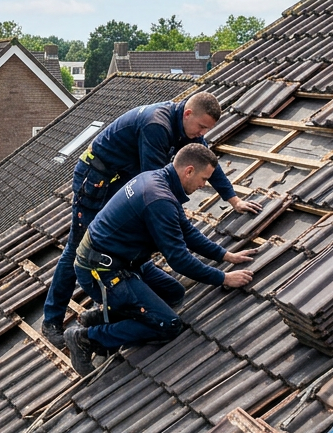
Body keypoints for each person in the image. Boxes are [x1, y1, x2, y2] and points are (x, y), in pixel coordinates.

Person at [40, 91, 260, 348]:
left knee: (136, 248)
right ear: (187, 114)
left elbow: (204, 160)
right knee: (77, 248)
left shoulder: (190, 131)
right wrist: (175, 224)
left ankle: (106, 312)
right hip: (97, 179)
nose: (201, 134)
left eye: (206, 131)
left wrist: (233, 199)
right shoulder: (157, 125)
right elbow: (154, 188)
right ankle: (52, 321)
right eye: (200, 127)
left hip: (121, 177)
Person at [63, 144, 256, 375]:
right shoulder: (158, 199)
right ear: (189, 171)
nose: (204, 185)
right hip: (102, 272)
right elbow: (179, 259)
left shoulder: (158, 180)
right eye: (204, 179)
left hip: (125, 261)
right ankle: (86, 338)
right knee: (168, 325)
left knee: (173, 293)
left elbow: (186, 231)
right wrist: (223, 278)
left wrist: (225, 255)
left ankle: (103, 316)